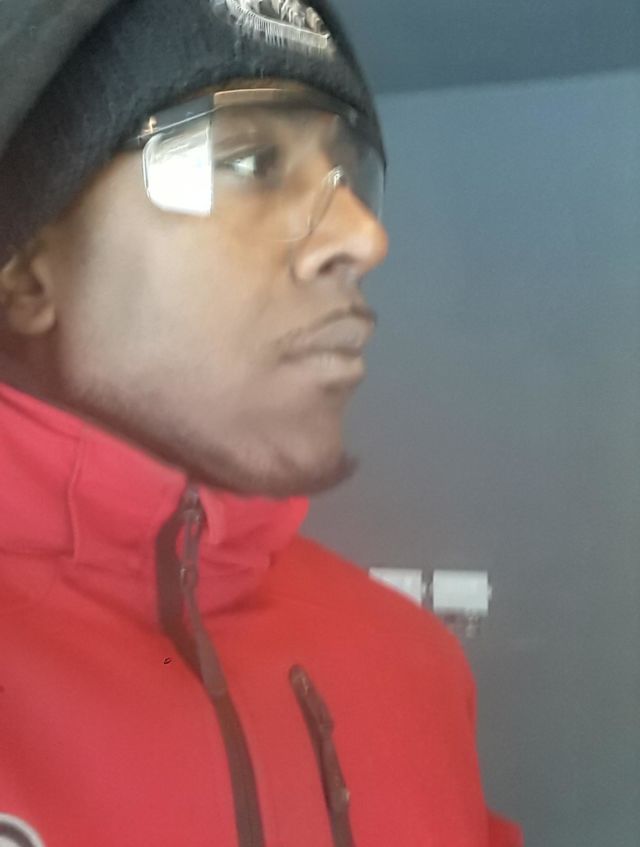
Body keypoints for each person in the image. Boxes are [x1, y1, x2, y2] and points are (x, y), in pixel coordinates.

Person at [0, 1, 523, 845]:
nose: (364, 236)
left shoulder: (414, 663)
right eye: (245, 160)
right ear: (27, 273)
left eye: (350, 177)